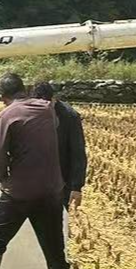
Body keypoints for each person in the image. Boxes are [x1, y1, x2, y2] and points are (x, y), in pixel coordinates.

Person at [0, 72, 75, 269]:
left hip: (18, 193)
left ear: (2, 97)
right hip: (51, 192)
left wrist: (2, 178)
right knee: (55, 252)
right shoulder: (47, 109)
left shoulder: (5, 115)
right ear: (25, 89)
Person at [32, 79, 88, 214]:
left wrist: (76, 186)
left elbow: (78, 151)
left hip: (61, 178)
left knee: (57, 218)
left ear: (53, 99)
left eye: (47, 104)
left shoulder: (69, 116)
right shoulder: (31, 111)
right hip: (34, 177)